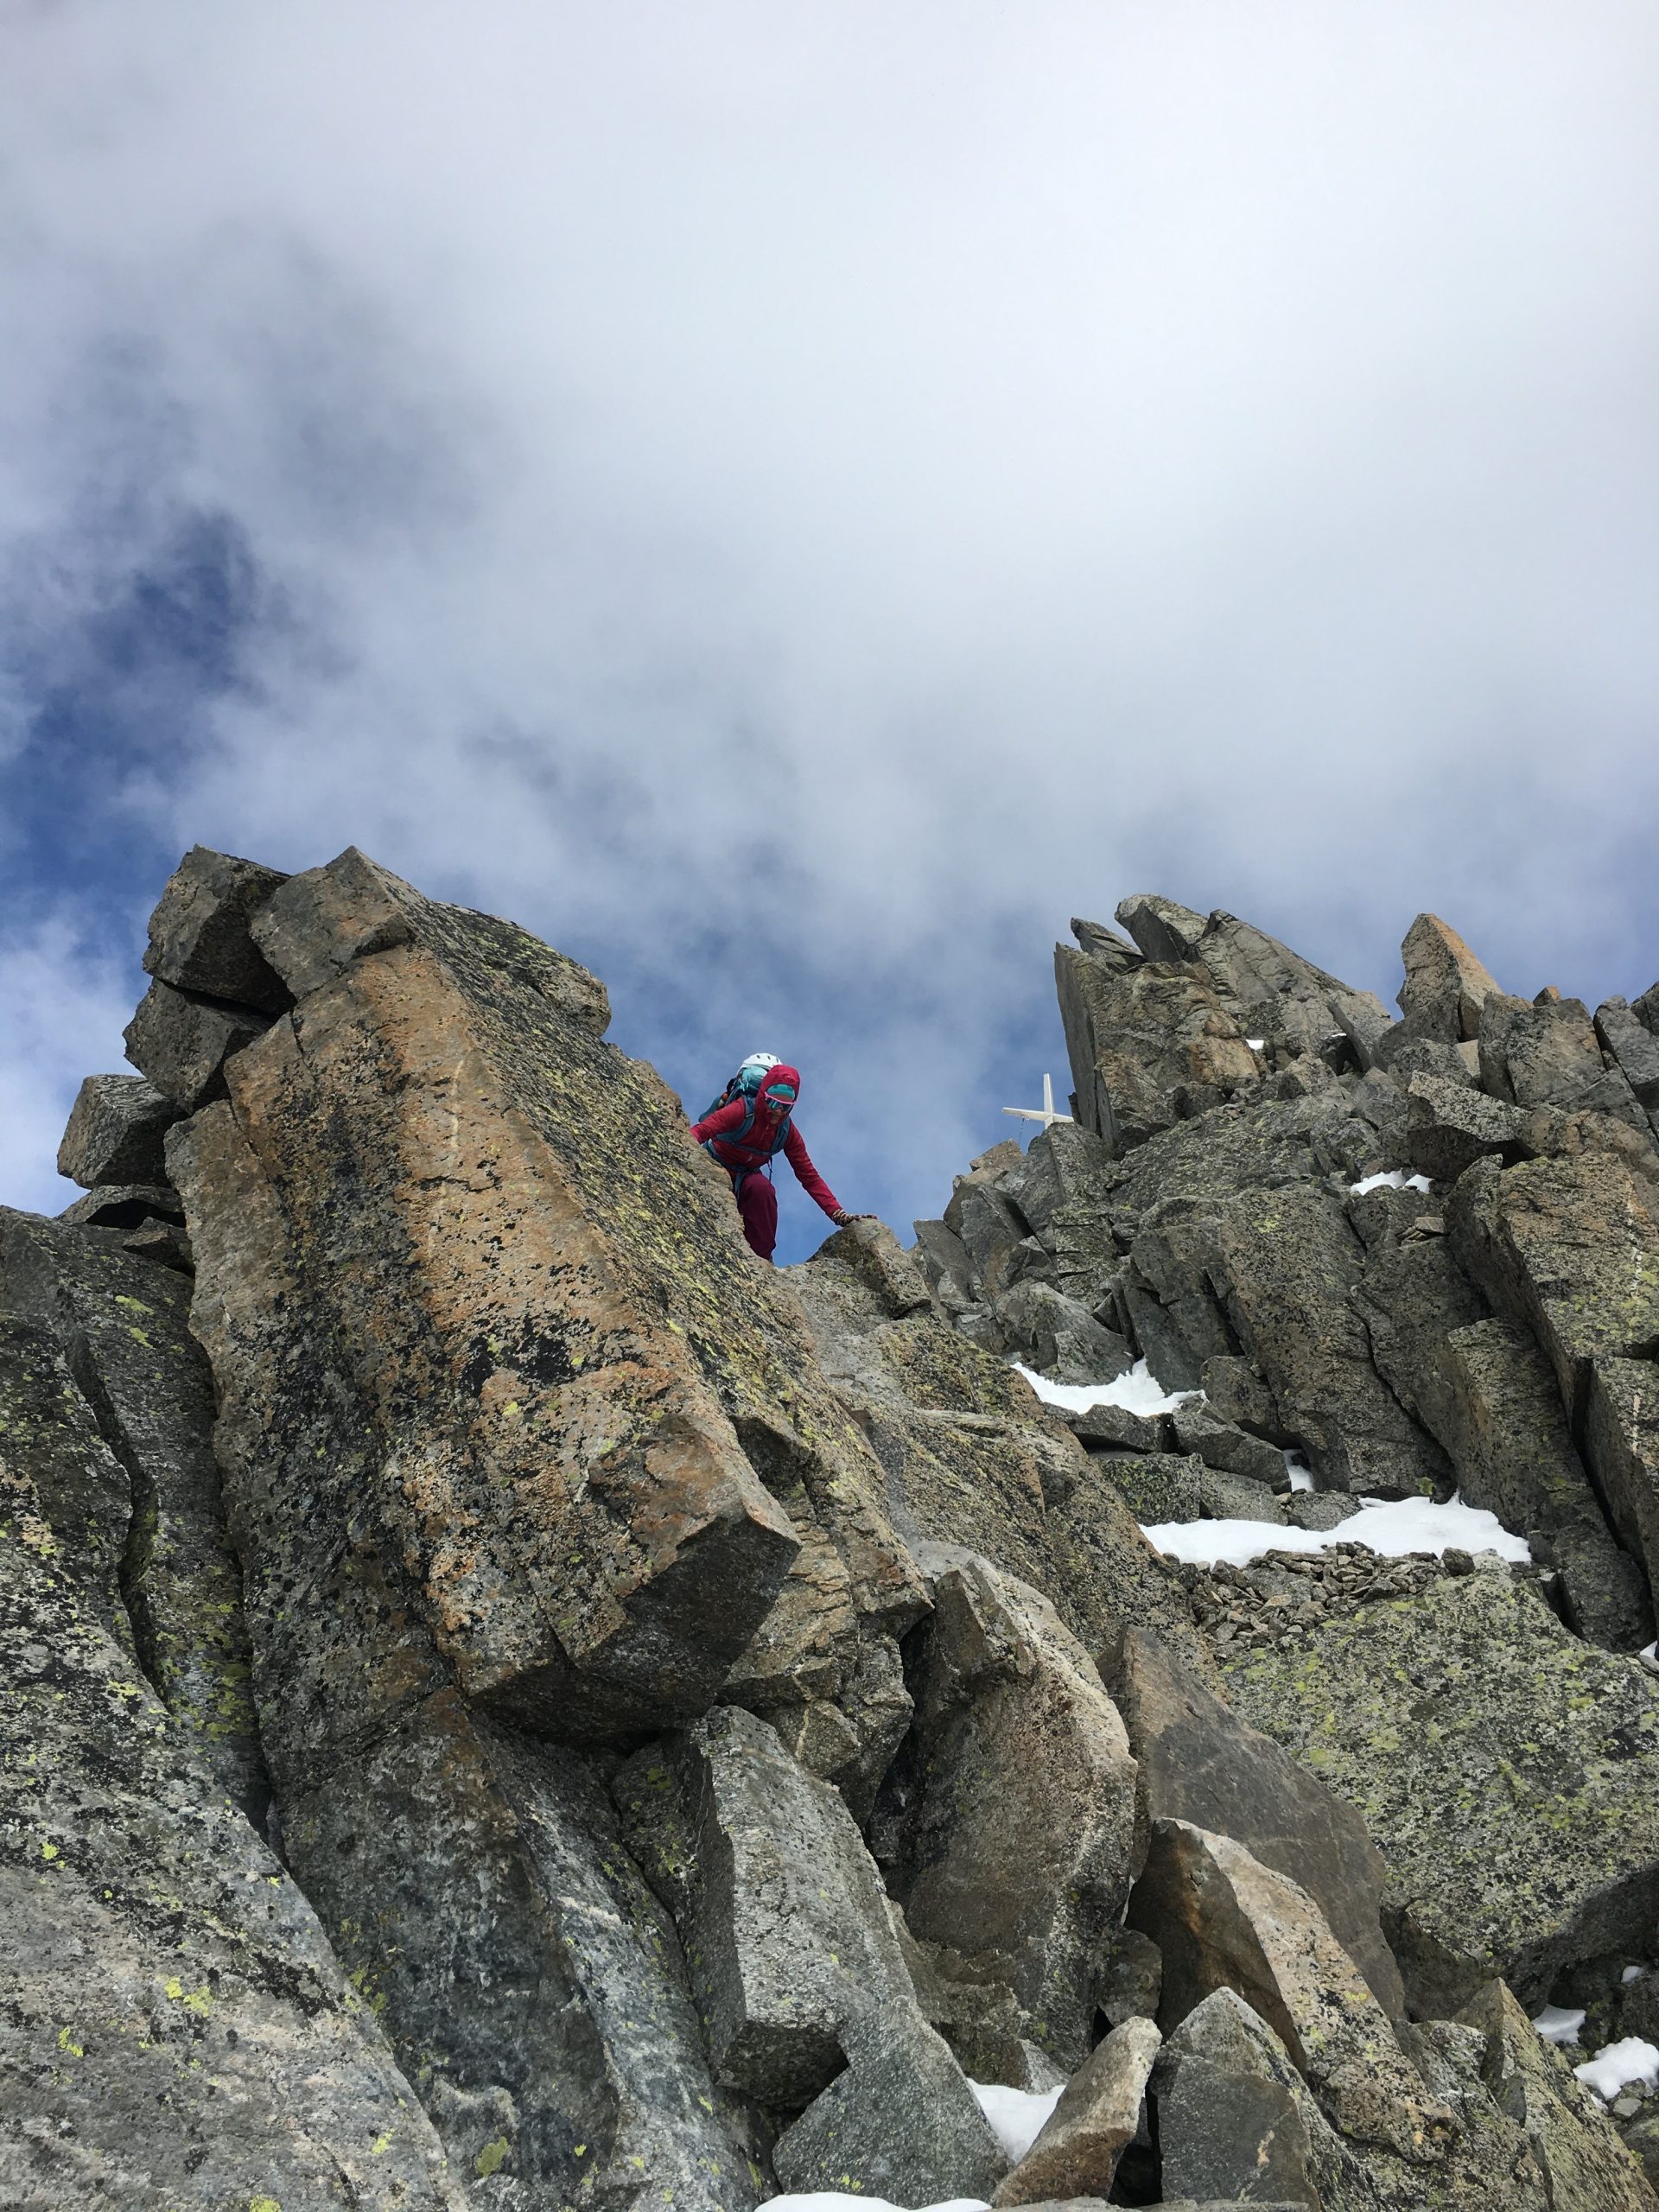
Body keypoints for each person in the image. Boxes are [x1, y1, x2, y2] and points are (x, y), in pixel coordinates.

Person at [690, 1053, 868, 1262]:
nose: (778, 1111)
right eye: (773, 1103)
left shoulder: (786, 1131)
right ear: (763, 1095)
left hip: (747, 1177)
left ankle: (761, 1261)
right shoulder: (741, 1110)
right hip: (714, 1165)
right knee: (756, 1187)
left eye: (786, 1106)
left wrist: (838, 1214)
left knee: (762, 1190)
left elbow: (809, 1176)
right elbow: (702, 1131)